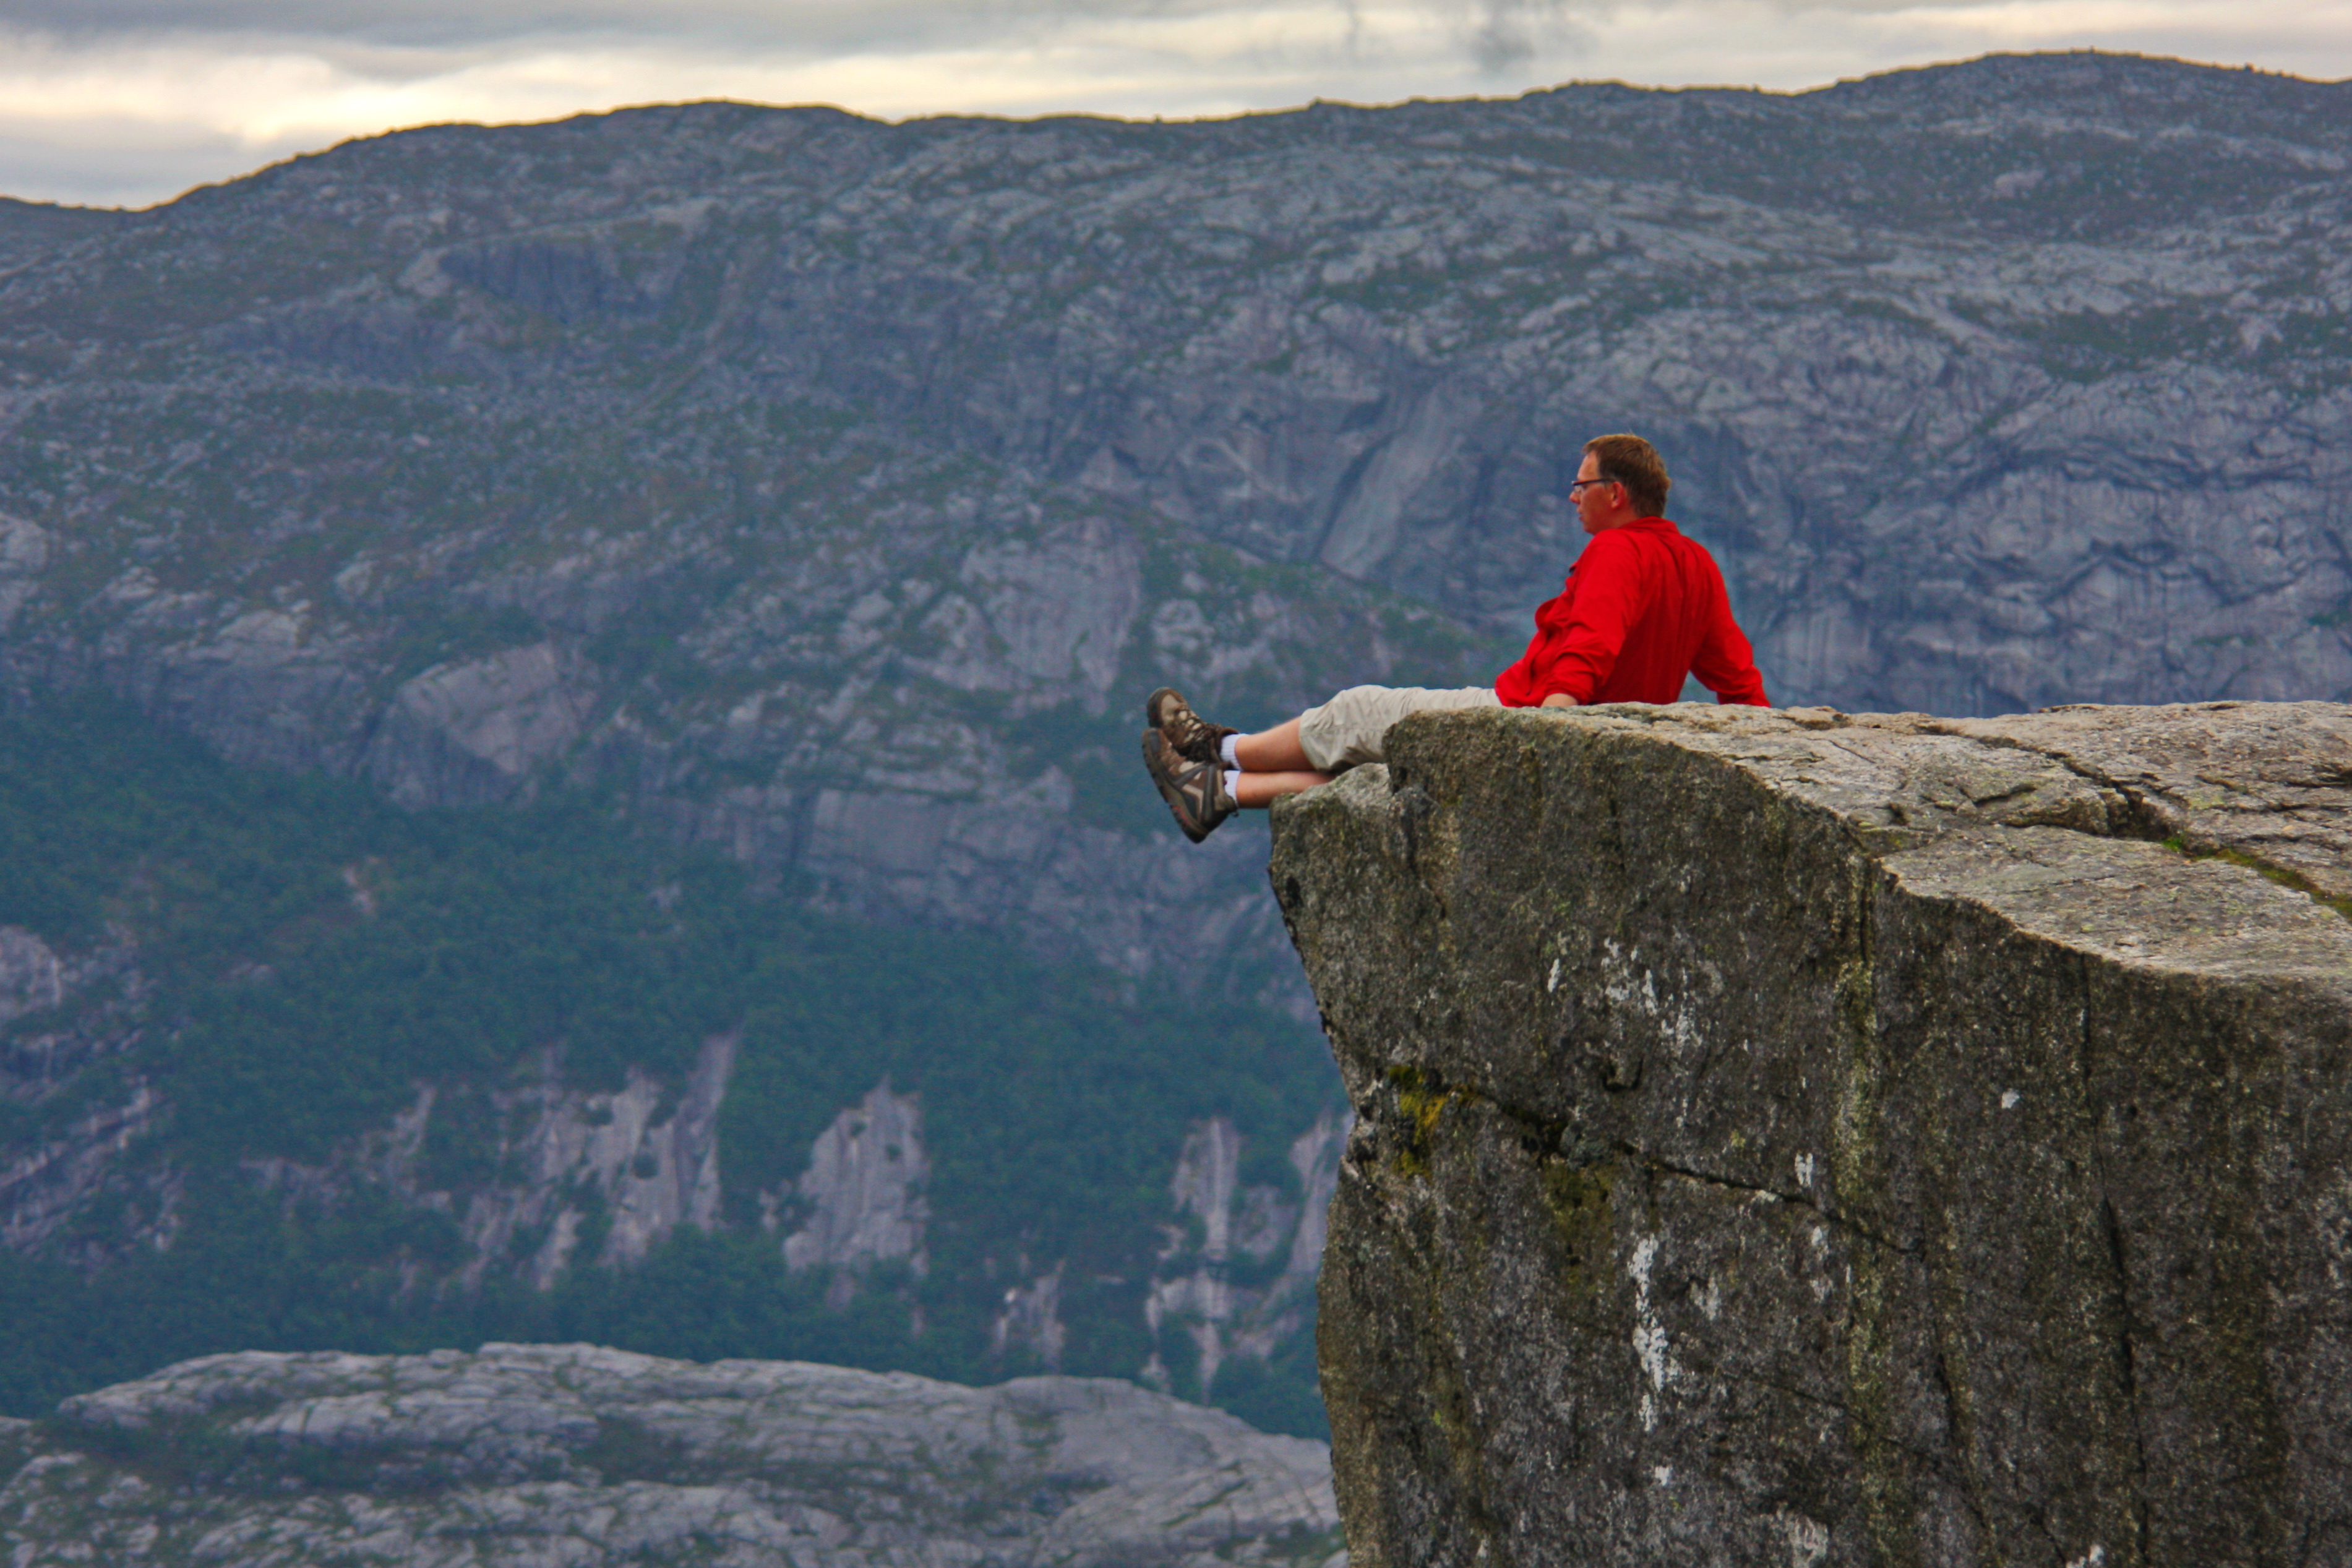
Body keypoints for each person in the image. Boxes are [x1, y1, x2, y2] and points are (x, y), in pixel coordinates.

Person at [1140, 432, 1770, 842]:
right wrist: (1765, 747)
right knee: (1375, 774)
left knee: (1356, 712)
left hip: (1536, 714)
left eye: (1581, 485)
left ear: (1616, 493)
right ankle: (1219, 793)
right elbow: (1734, 676)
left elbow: (1590, 644)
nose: (1570, 496)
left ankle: (1216, 751)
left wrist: (1553, 724)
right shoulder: (1695, 564)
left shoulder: (1616, 551)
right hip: (1608, 728)